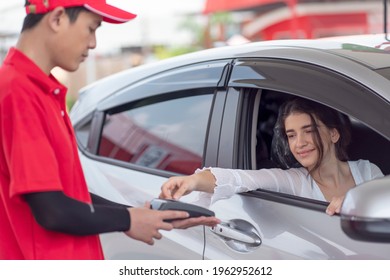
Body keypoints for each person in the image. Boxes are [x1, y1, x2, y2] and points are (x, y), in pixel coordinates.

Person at [0, 0, 219, 260]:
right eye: (91, 28)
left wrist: (141, 213)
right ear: (57, 18)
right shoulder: (18, 91)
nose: (93, 44)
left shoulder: (41, 92)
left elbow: (67, 194)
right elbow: (52, 210)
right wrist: (127, 219)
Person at [160, 97, 384, 216]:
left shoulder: (368, 172)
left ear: (333, 133)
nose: (300, 143)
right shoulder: (294, 180)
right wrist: (192, 181)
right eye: (291, 135)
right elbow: (238, 178)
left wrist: (355, 201)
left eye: (309, 131)